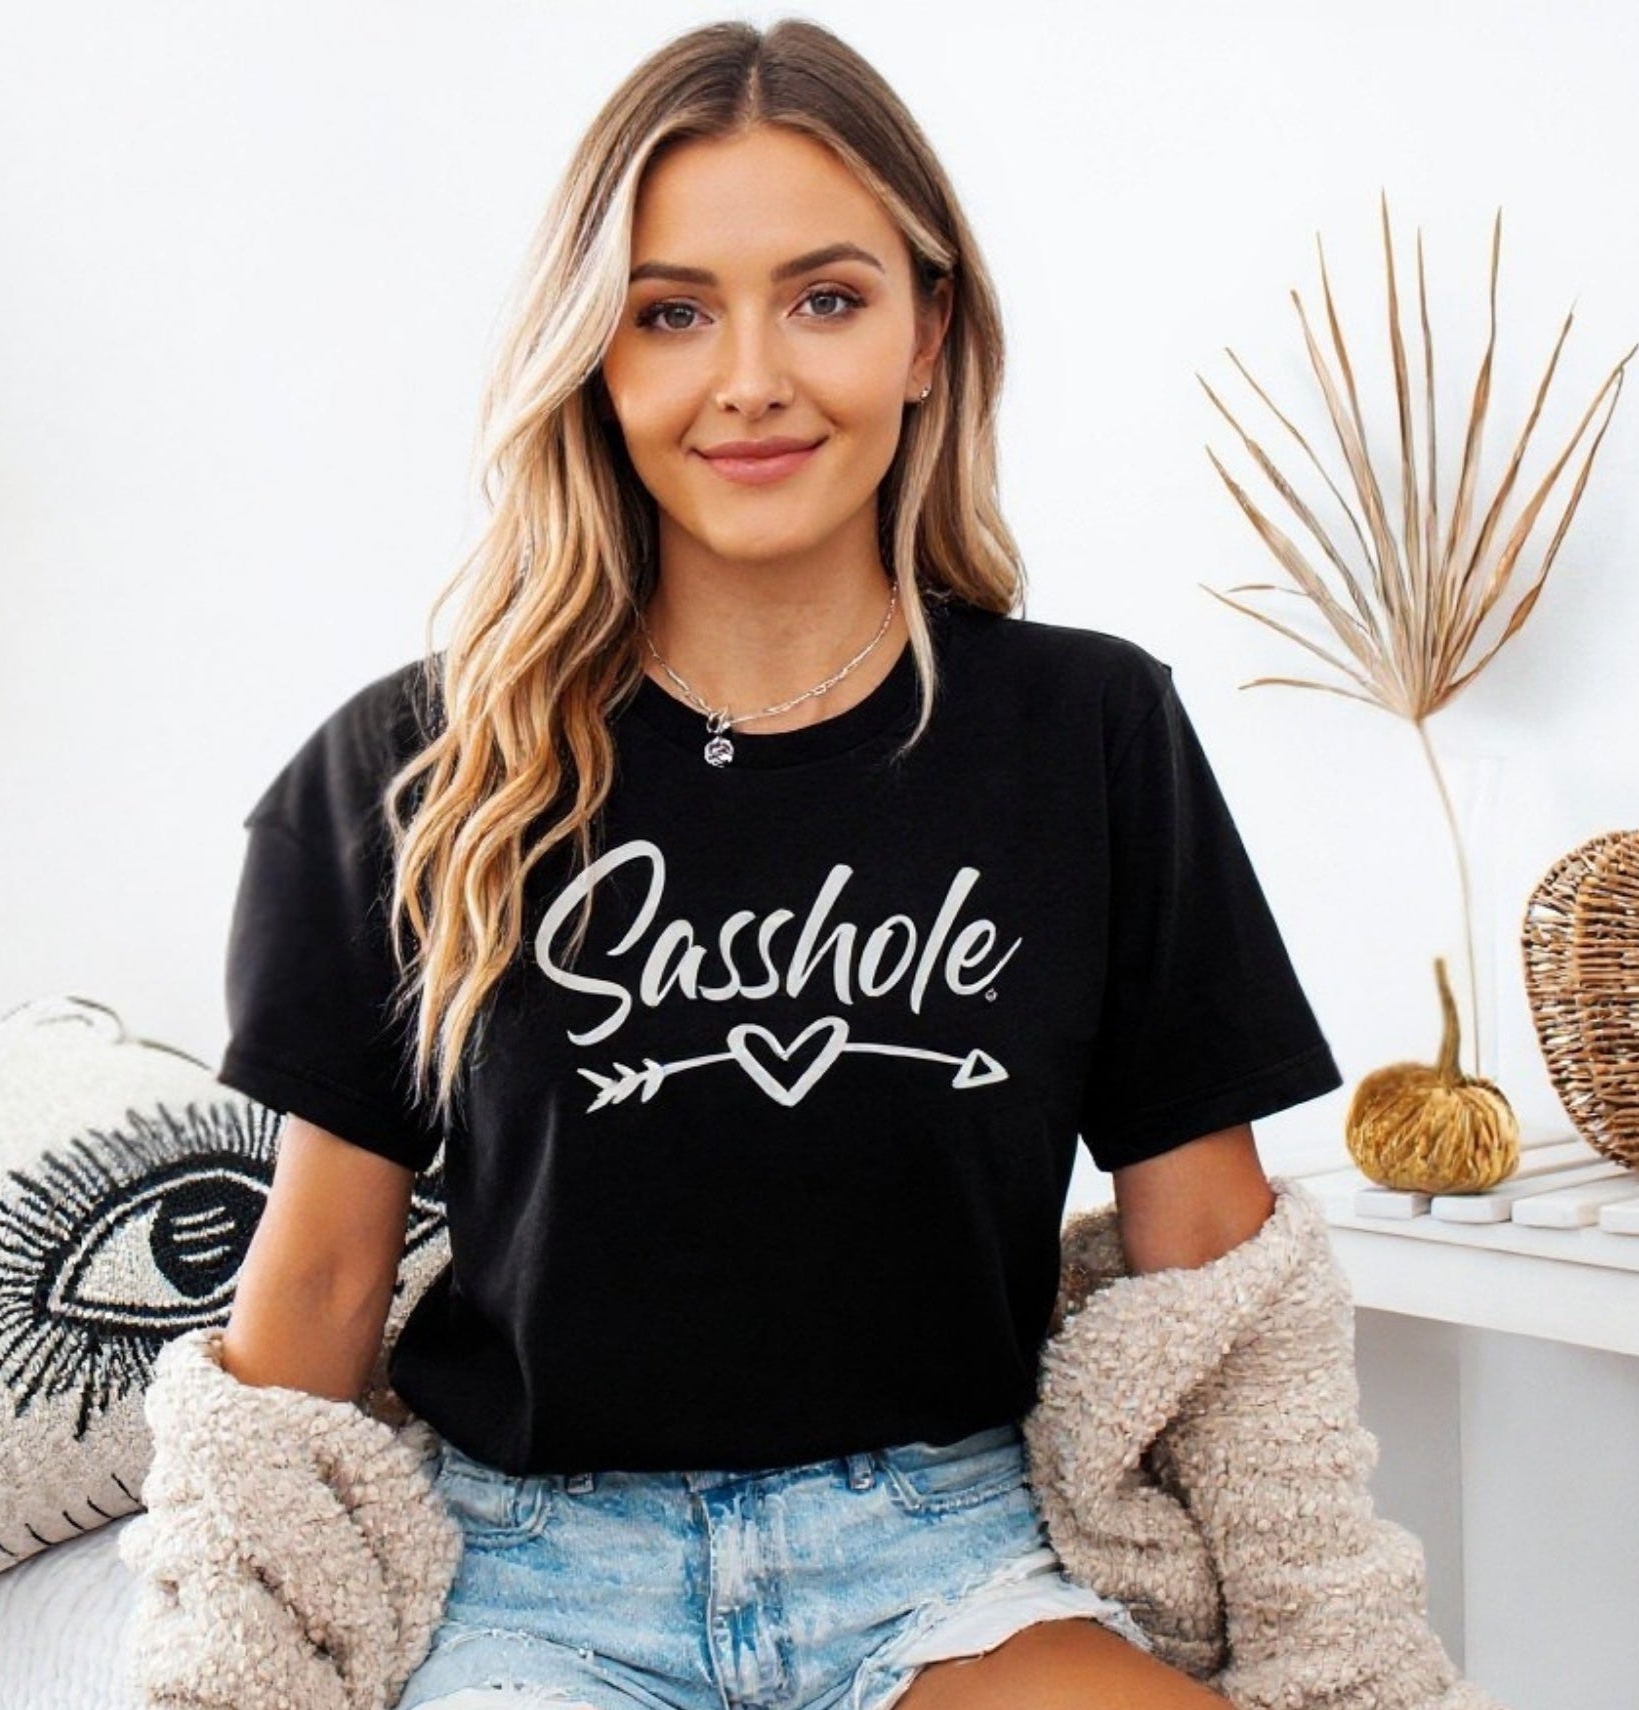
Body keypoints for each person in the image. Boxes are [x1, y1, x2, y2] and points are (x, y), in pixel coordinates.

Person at [212, 18, 1344, 1710]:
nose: (748, 377)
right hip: (532, 1585)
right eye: (672, 312)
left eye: (824, 297)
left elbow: (1215, 1276)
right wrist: (224, 1661)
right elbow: (313, 1285)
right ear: (594, 355)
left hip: (948, 1555)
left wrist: (1339, 1654)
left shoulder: (1087, 734)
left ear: (927, 331)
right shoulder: (408, 772)